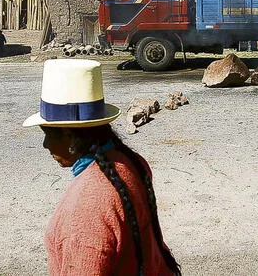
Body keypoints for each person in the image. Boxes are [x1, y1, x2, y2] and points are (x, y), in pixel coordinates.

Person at [23, 59, 180, 275]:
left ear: (70, 136)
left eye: (48, 134)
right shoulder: (131, 161)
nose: (45, 144)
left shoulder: (84, 209)